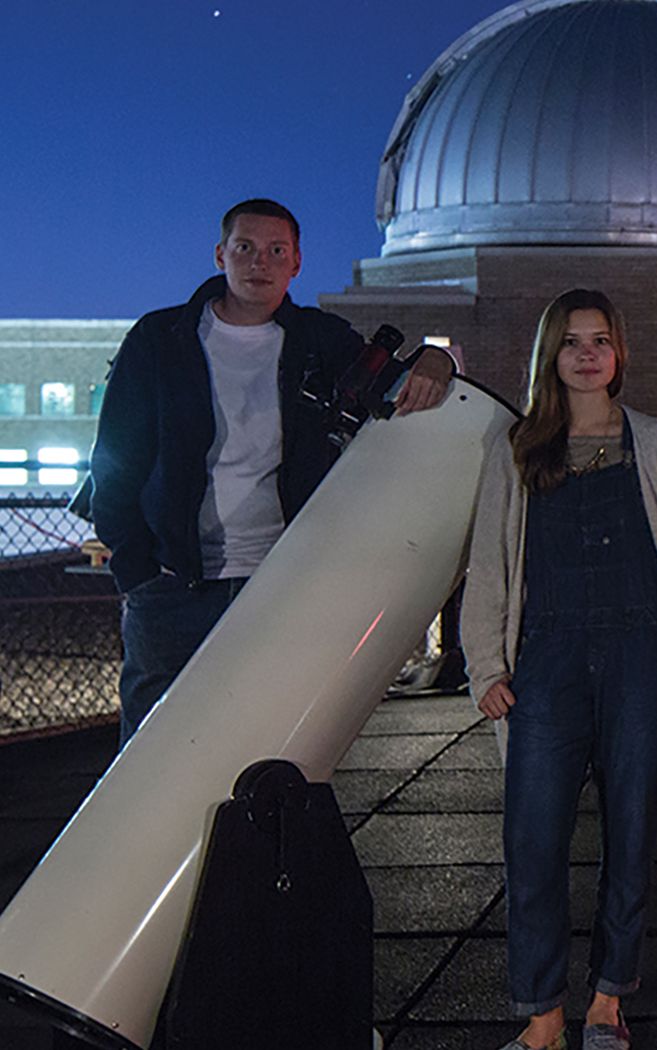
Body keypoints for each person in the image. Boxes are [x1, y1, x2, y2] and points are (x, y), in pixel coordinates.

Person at [460, 290, 657, 1050]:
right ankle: (542, 1020)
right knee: (533, 841)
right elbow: (491, 563)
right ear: (549, 355)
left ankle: (607, 1003)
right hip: (549, 661)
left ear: (619, 352)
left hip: (644, 655)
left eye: (600, 340)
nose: (586, 354)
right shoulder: (517, 446)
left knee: (630, 835)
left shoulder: (655, 441)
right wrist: (486, 667)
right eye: (570, 341)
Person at [90, 198, 452, 745]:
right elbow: (114, 459)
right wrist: (138, 570)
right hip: (171, 588)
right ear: (221, 255)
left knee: (270, 744)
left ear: (296, 263)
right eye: (246, 248)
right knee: (150, 750)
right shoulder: (158, 340)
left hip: (282, 582)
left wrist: (438, 360)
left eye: (276, 251)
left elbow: (397, 388)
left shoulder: (319, 341)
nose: (260, 261)